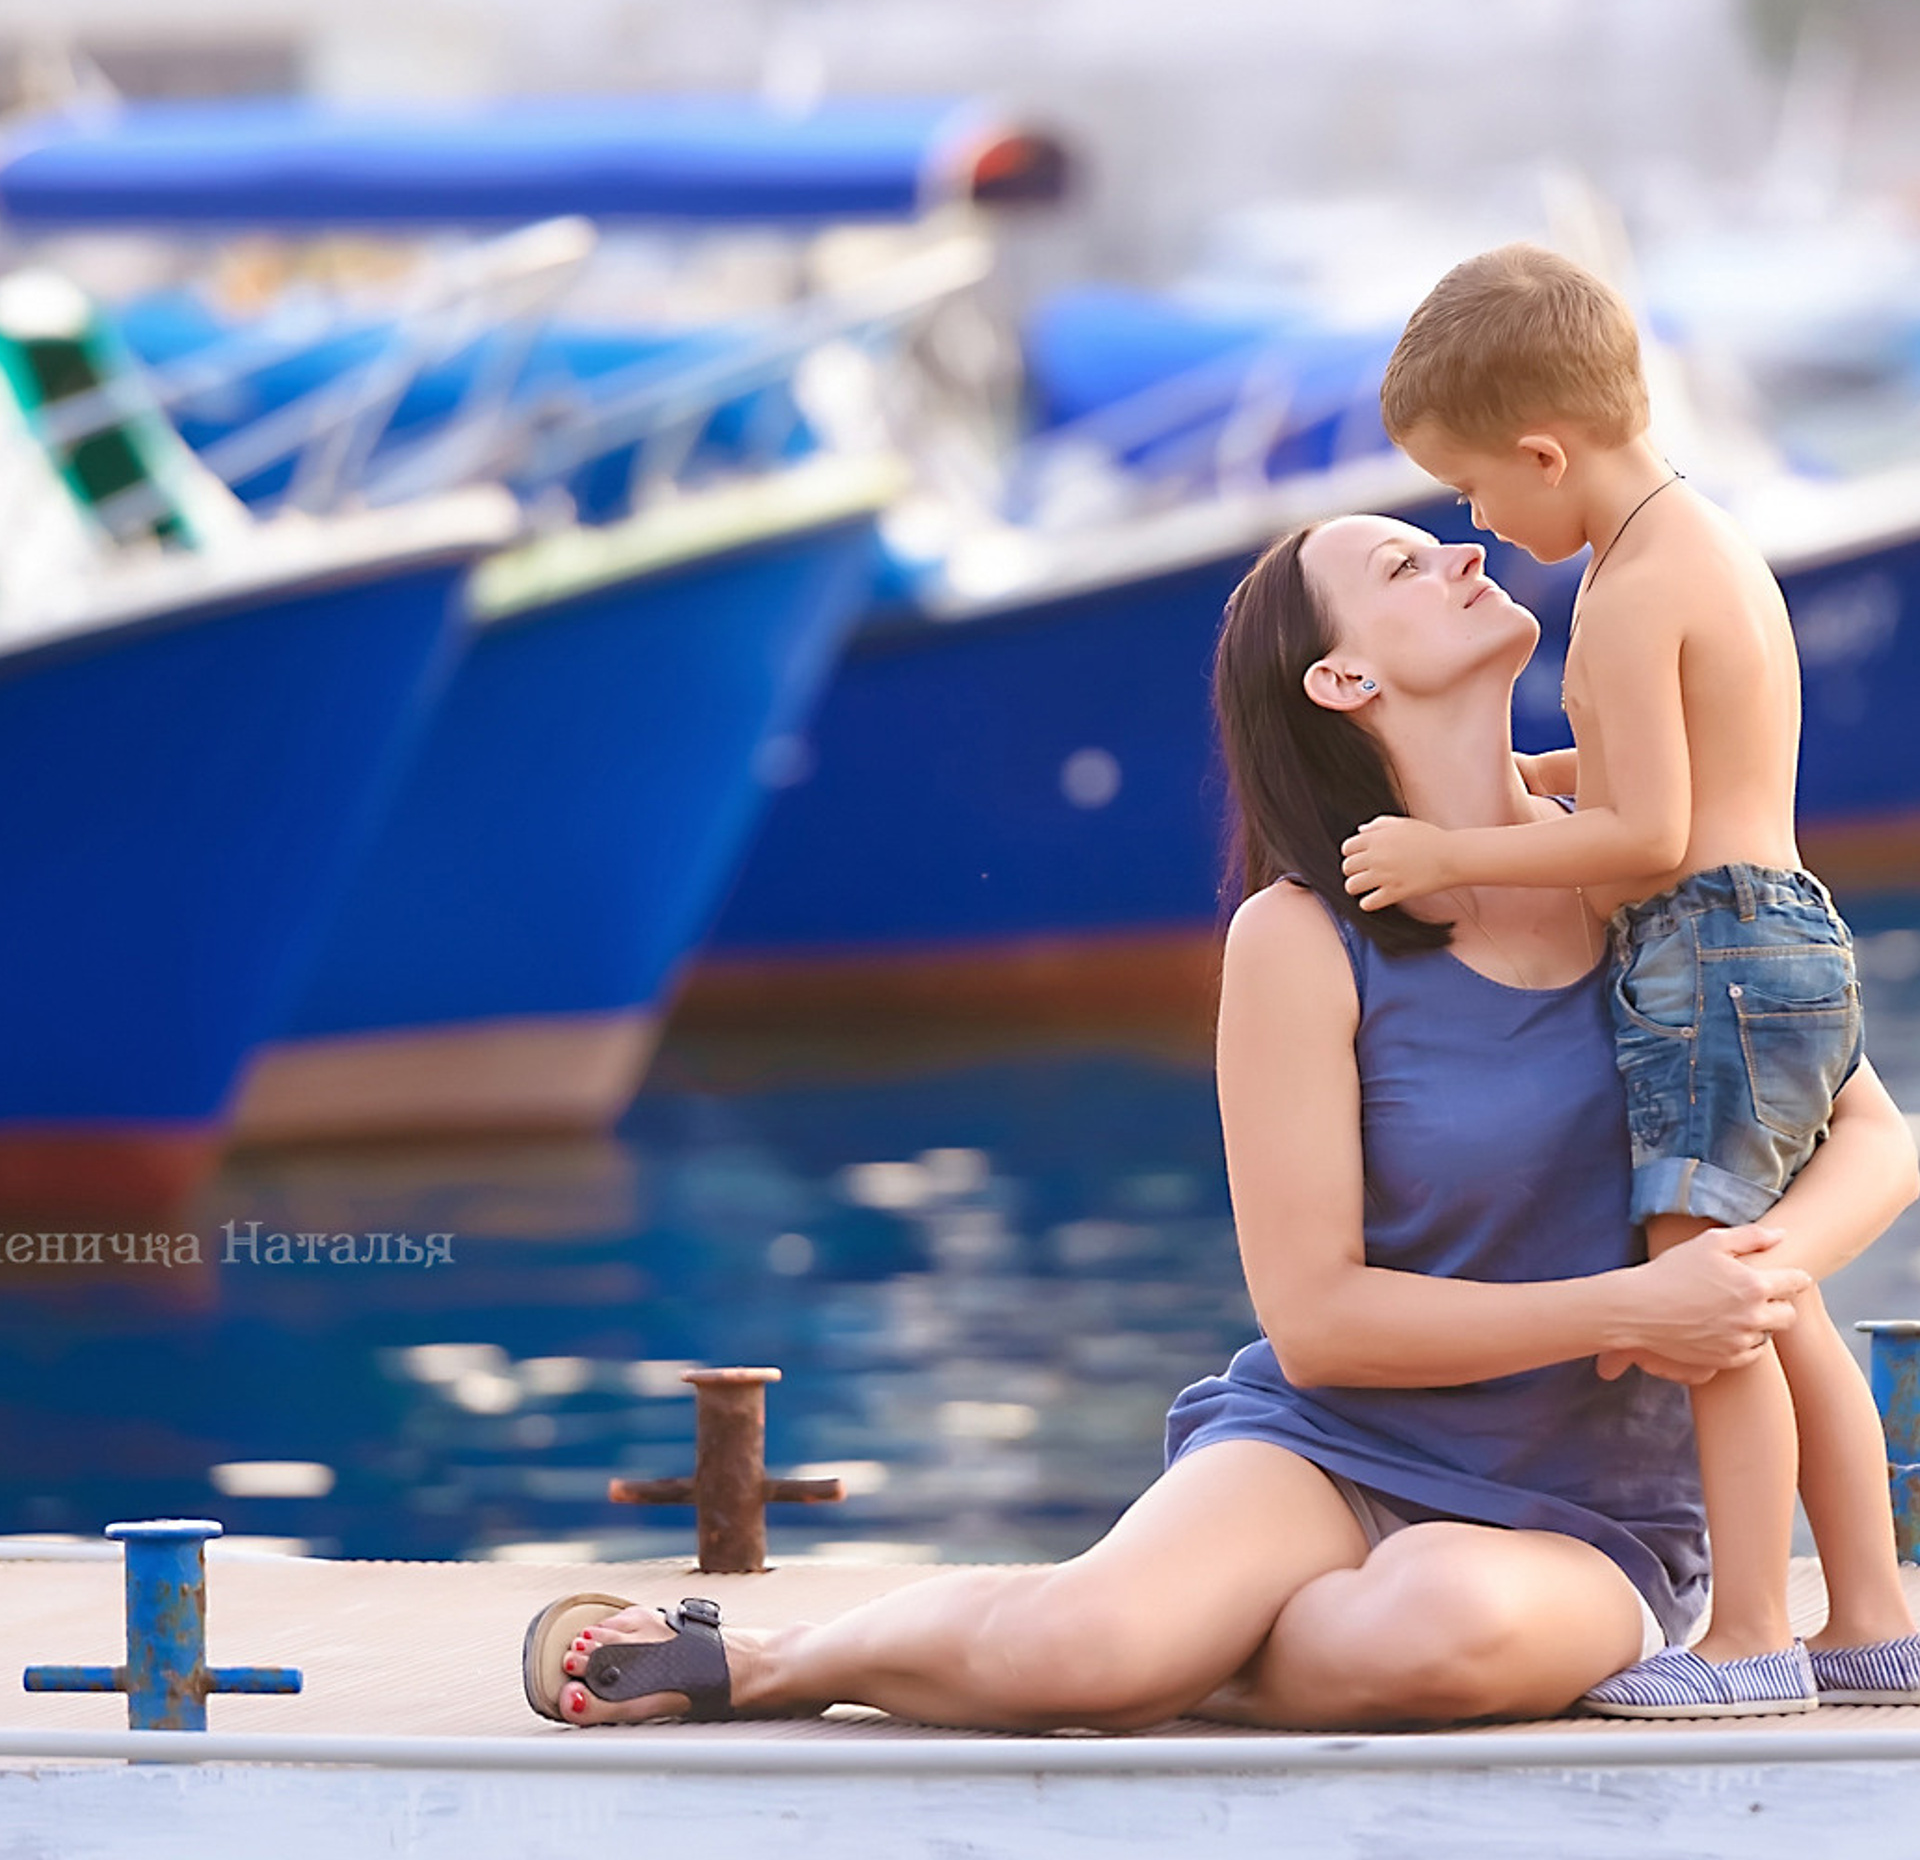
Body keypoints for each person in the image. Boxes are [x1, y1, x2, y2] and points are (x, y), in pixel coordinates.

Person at [522, 513, 1917, 1733]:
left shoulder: (1657, 880)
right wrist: (1633, 1297)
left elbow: (1880, 1139)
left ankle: (1165, 1666)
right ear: (1342, 677)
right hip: (1331, 1448)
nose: (1467, 550)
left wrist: (1743, 1280)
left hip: (1591, 1518)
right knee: (1092, 1643)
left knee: (1429, 1637)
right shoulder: (1301, 938)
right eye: (1406, 562)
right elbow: (1320, 1323)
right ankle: (784, 1661)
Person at [1341, 243, 1920, 1716]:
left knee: (1705, 1293)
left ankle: (1746, 1634)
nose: (1475, 522)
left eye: (1478, 490)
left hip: (1707, 948)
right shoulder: (1702, 543)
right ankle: (1869, 1612)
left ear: (1547, 452)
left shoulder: (1619, 593)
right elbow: (1677, 765)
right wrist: (1549, 772)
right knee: (1776, 1296)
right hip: (1781, 936)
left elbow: (1650, 832)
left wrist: (1435, 850)